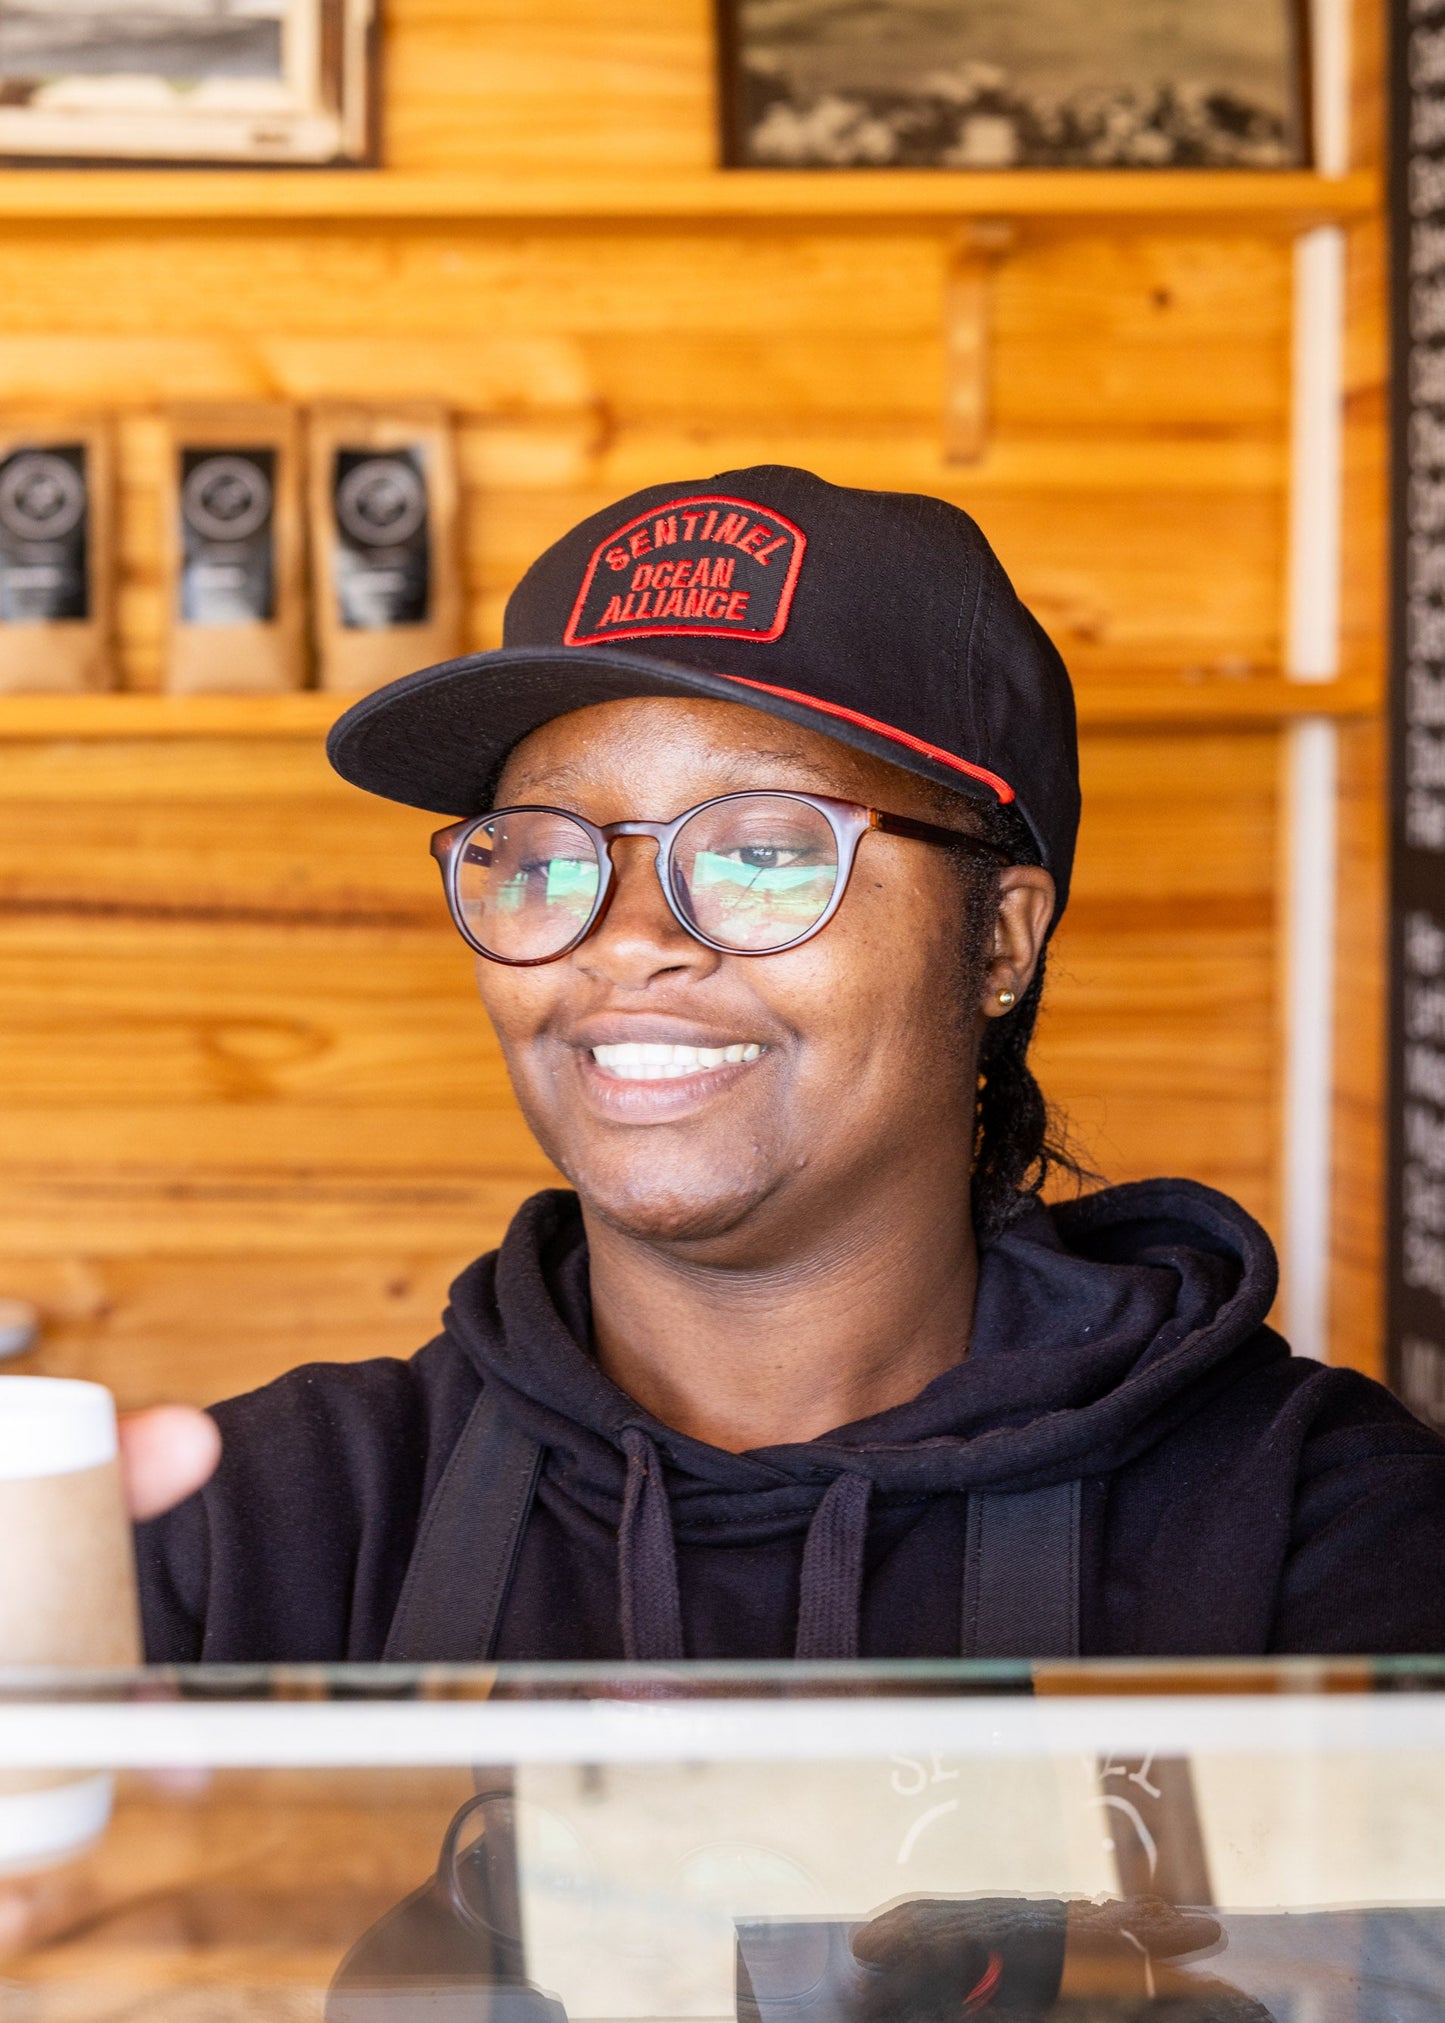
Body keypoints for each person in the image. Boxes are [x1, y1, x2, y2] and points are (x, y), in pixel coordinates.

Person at [127, 465, 1445, 1660]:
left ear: (998, 939)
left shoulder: (1315, 1530)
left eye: (764, 849)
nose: (627, 941)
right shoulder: (263, 1527)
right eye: (542, 858)